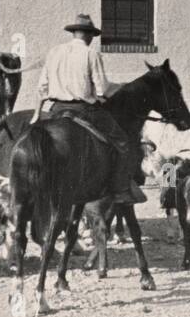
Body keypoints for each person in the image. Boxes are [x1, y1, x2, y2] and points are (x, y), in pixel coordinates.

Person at [33, 13, 145, 204]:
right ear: (89, 35)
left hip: (57, 108)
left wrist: (36, 114)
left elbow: (41, 88)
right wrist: (121, 90)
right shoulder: (91, 54)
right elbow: (103, 89)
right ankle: (120, 190)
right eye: (92, 35)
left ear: (74, 32)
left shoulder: (54, 52)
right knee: (123, 143)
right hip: (83, 109)